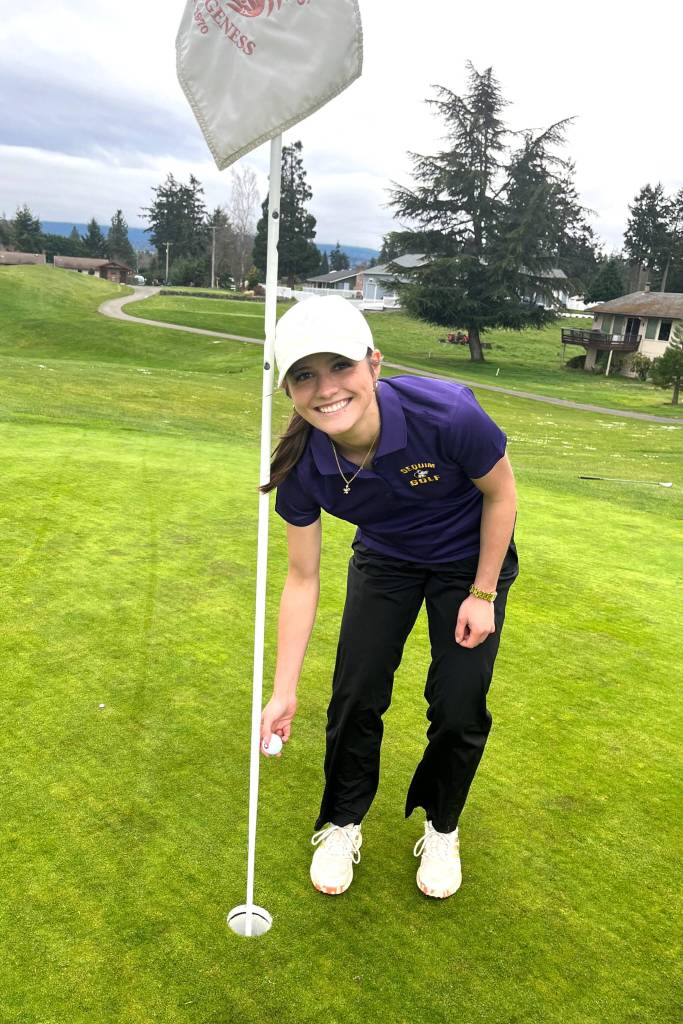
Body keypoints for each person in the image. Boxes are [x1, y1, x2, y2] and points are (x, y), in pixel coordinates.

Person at [259, 295, 518, 899]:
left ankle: (443, 826)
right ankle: (342, 822)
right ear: (288, 389)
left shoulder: (447, 414)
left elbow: (501, 494)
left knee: (458, 704)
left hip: (468, 563)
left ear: (374, 364)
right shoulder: (301, 465)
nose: (326, 389)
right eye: (304, 375)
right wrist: (283, 690)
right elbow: (301, 579)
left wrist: (483, 593)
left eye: (340, 366)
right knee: (355, 695)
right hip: (386, 560)